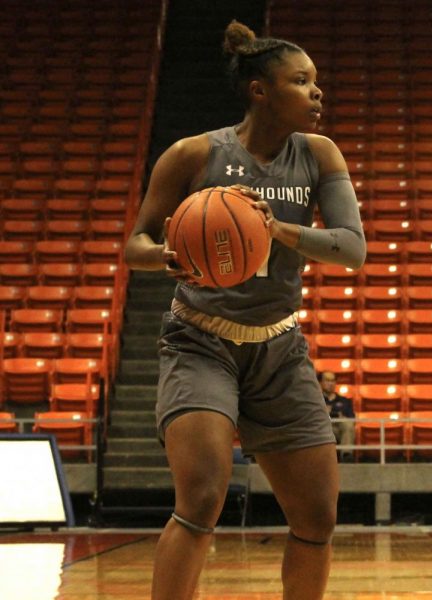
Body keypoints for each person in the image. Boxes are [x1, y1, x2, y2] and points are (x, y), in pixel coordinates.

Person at [124, 21, 365, 600]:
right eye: (301, 81)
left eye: (316, 82)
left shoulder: (318, 154)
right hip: (200, 340)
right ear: (260, 90)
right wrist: (166, 256)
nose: (316, 93)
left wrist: (274, 228)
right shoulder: (193, 153)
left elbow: (352, 248)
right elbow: (135, 244)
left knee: (316, 516)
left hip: (279, 346)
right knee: (202, 498)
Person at [319, 370, 355, 462]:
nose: (330, 383)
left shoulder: (345, 401)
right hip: (322, 430)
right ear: (321, 383)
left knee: (347, 424)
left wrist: (341, 416)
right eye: (327, 380)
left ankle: (346, 455)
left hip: (340, 430)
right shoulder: (317, 401)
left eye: (332, 380)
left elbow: (352, 419)